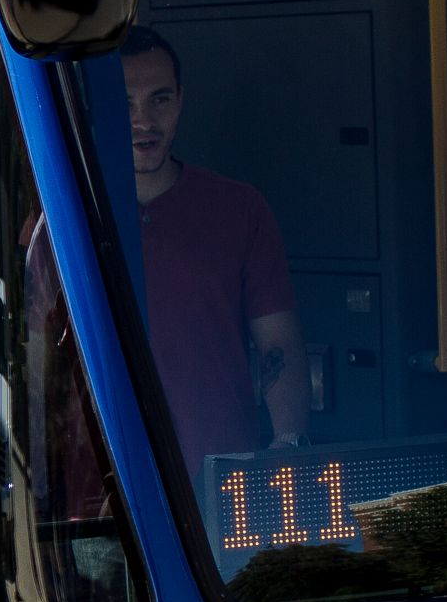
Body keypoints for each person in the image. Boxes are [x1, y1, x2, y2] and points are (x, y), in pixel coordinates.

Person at [118, 27, 307, 461]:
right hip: (101, 490)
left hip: (218, 479)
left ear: (181, 99)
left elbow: (277, 337)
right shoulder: (62, 220)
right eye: (123, 102)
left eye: (159, 99)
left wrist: (289, 445)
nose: (143, 121)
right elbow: (38, 359)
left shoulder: (239, 208)